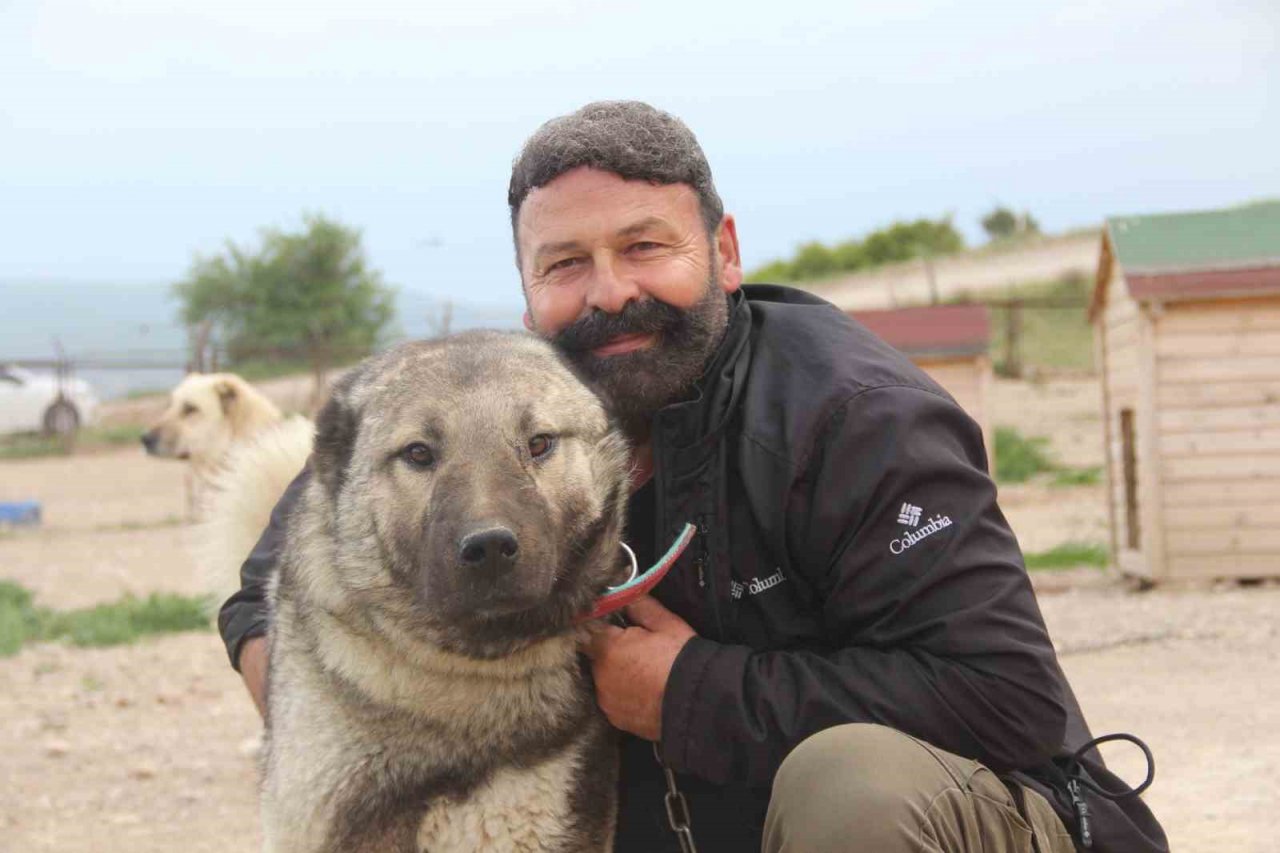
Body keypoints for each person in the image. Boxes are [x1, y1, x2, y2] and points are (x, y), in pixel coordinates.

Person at [219, 101, 1167, 853]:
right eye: (564, 264)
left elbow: (1008, 697)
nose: (608, 292)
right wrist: (348, 725)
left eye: (643, 246)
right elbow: (267, 597)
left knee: (854, 794)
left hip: (979, 820)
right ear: (527, 290)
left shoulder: (854, 418)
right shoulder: (498, 402)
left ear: (722, 251)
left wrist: (691, 694)